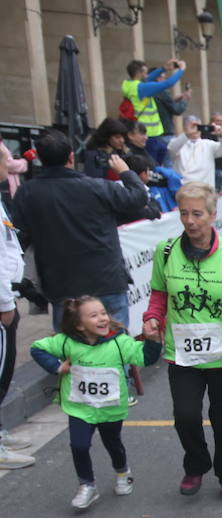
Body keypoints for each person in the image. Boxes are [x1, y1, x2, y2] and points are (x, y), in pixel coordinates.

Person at [141, 182, 222, 500]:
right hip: (182, 353)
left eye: (197, 214)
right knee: (185, 415)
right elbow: (158, 295)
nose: (191, 221)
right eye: (184, 214)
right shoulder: (165, 252)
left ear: (212, 215)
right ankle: (196, 464)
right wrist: (152, 319)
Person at [30, 296, 163, 509]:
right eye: (94, 316)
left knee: (113, 443)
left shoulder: (119, 343)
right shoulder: (67, 342)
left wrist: (153, 340)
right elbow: (37, 348)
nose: (102, 318)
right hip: (80, 407)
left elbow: (145, 358)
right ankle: (87, 485)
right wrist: (57, 367)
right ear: (79, 325)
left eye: (103, 313)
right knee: (79, 446)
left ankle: (123, 472)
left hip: (110, 409)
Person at [12, 132, 148, 332]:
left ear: (40, 159)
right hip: (105, 281)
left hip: (62, 285)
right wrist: (125, 172)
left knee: (71, 353)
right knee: (114, 351)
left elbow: (20, 236)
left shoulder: (27, 193)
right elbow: (138, 197)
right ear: (71, 157)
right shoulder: (96, 187)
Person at [0, 158, 33, 469]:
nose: (8, 164)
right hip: (2, 302)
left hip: (8, 294)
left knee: (5, 371)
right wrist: (5, 303)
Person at [121, 58, 185, 165]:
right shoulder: (142, 88)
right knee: (153, 165)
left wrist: (163, 69)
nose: (147, 75)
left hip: (142, 131)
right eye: (145, 72)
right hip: (149, 133)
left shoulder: (128, 84)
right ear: (139, 73)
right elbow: (168, 83)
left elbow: (149, 79)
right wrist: (181, 70)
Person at [168, 116, 222, 187]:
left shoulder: (208, 144)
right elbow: (172, 149)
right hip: (184, 189)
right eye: (192, 126)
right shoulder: (178, 144)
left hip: (205, 189)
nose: (195, 129)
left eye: (198, 126)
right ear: (184, 128)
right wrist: (187, 134)